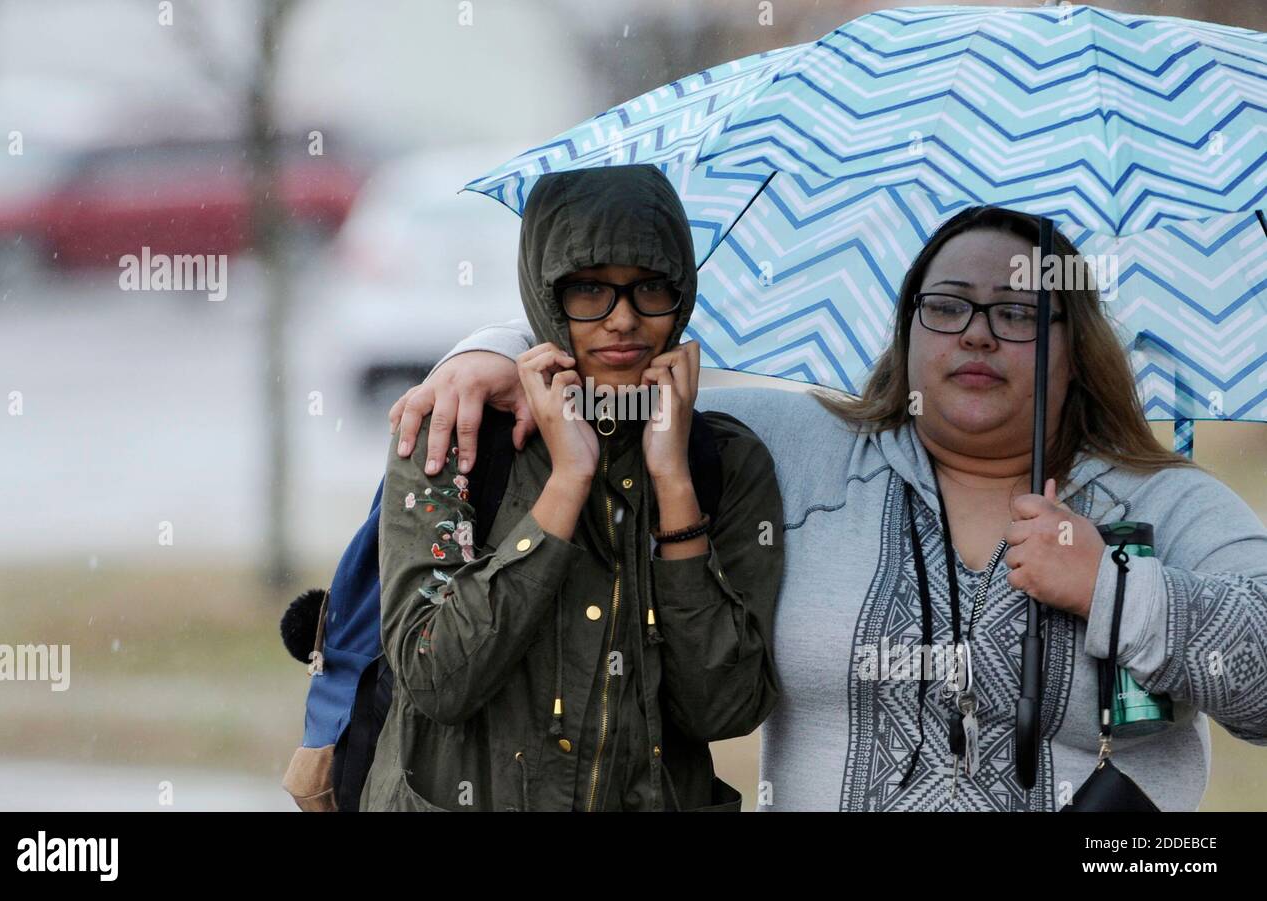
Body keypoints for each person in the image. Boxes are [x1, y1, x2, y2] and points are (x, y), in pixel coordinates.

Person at [388, 205, 1267, 811]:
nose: (976, 333)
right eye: (948, 305)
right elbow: (623, 377)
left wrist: (1113, 592)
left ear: (1080, 343)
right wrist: (491, 350)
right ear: (905, 330)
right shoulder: (800, 451)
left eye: (1020, 312)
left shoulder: (1159, 501)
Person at [360, 164, 784, 811]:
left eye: (650, 288)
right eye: (589, 290)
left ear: (683, 294)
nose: (621, 319)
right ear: (544, 292)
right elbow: (437, 677)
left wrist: (673, 489)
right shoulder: (456, 434)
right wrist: (566, 486)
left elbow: (723, 706)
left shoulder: (723, 460)